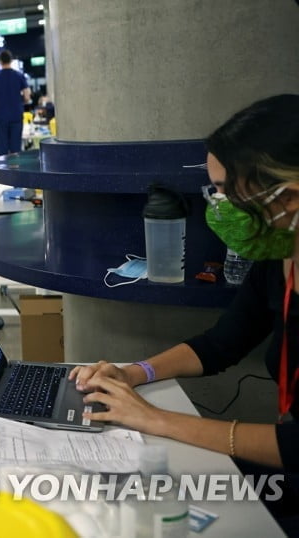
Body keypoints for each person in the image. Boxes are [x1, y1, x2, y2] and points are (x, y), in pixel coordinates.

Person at [70, 94, 299, 526]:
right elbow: (220, 344)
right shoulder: (280, 257)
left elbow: (294, 446)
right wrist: (135, 372)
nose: (218, 204)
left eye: (228, 192)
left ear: (287, 198)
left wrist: (156, 419)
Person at [0, 50, 32, 155]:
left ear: (0, 61)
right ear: (11, 60)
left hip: (1, 116)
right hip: (16, 114)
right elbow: (27, 97)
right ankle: (15, 170)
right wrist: (19, 102)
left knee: (2, 149)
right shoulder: (20, 76)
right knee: (16, 149)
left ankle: (3, 171)